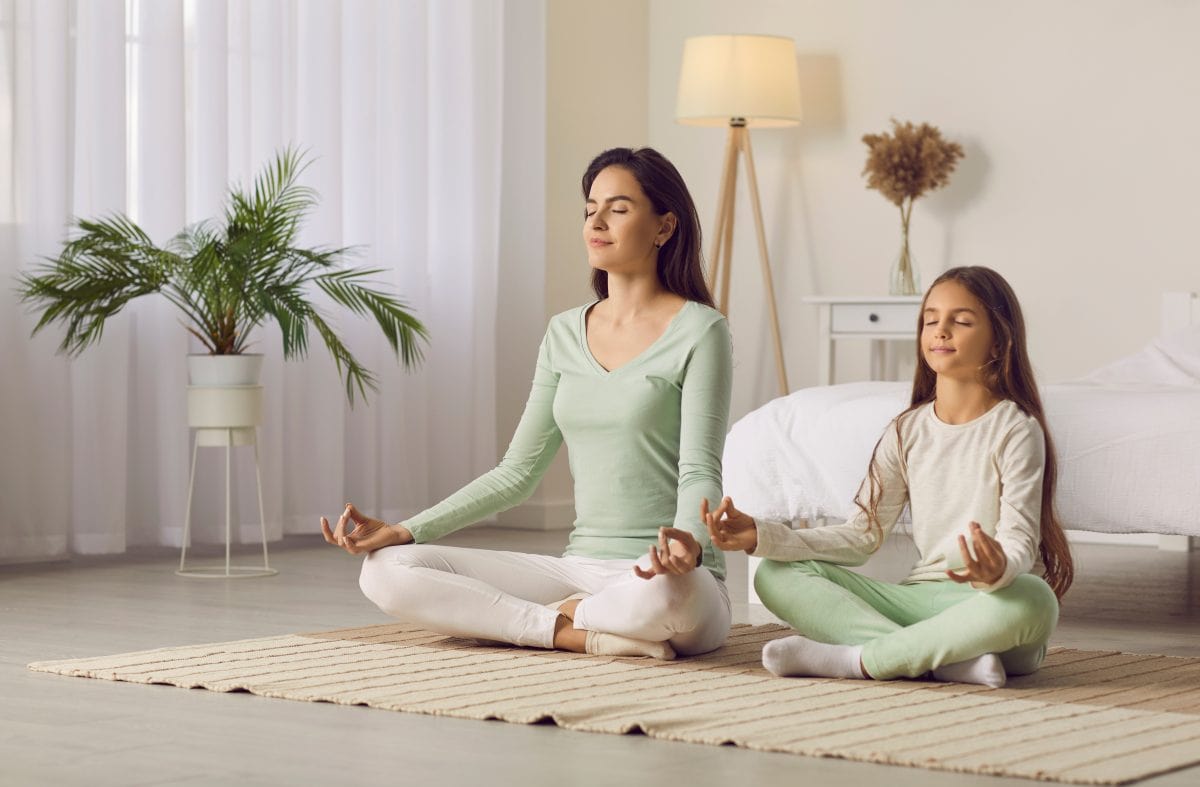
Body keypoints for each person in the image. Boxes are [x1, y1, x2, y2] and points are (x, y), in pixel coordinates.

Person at [322, 147, 733, 659]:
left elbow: (699, 469)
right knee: (386, 571)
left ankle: (559, 619)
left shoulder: (700, 331)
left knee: (671, 597)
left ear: (664, 227)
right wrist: (406, 531)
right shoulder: (564, 333)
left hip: (669, 578)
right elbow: (516, 473)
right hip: (579, 569)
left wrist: (688, 546)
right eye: (590, 208)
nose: (596, 222)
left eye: (619, 208)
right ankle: (572, 633)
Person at [705, 266, 1073, 687]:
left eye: (962, 320)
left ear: (998, 342)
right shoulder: (906, 430)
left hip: (988, 604)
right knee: (773, 572)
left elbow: (1020, 541)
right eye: (931, 320)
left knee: (1035, 599)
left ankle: (861, 660)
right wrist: (761, 535)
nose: (941, 331)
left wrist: (998, 569)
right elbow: (862, 535)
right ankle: (938, 661)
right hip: (919, 600)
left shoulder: (1016, 429)